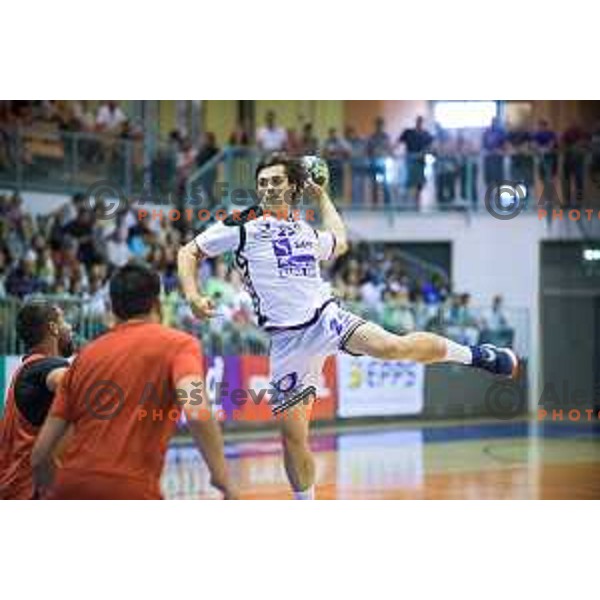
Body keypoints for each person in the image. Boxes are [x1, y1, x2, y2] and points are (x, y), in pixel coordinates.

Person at [178, 154, 519, 500]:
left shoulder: (305, 231)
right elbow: (188, 252)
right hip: (287, 343)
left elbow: (340, 240)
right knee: (293, 437)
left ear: (294, 187)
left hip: (326, 319)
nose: (268, 188)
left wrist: (322, 196)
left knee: (393, 346)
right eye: (263, 183)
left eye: (276, 181)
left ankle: (476, 355)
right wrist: (192, 295)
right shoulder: (242, 224)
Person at [31, 262, 235, 499]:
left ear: (113, 308)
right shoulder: (180, 345)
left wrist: (53, 491)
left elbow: (40, 455)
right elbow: (197, 409)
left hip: (70, 485)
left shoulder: (84, 357)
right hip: (130, 489)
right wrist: (222, 477)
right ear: (157, 304)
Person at [0, 300, 74, 499]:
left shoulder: (26, 369)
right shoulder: (47, 367)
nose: (71, 327)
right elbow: (76, 386)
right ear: (53, 328)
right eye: (64, 321)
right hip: (28, 493)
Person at [398, 116, 434, 207]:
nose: (419, 123)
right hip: (409, 162)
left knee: (419, 185)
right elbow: (398, 142)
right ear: (416, 122)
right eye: (418, 121)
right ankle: (405, 205)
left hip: (420, 162)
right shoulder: (408, 132)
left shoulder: (426, 134)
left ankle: (417, 205)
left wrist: (423, 153)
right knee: (407, 183)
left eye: (421, 122)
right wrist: (391, 152)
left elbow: (431, 147)